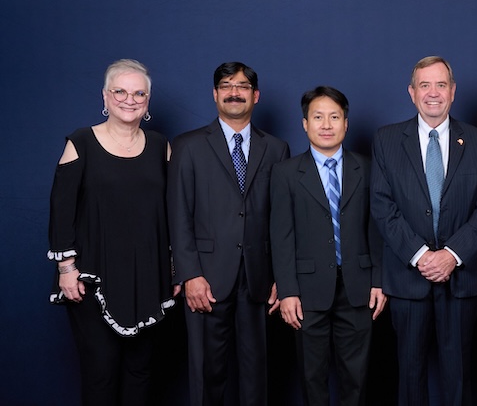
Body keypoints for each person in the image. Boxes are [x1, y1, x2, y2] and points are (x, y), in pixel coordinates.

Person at [370, 56, 477, 406]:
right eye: (424, 85)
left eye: (441, 85)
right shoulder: (387, 139)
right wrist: (421, 255)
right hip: (408, 279)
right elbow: (382, 206)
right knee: (410, 376)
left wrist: (451, 255)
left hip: (460, 279)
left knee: (459, 376)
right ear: (412, 93)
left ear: (453, 92)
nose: (433, 93)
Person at [47, 58, 172, 406]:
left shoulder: (161, 145)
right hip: (92, 277)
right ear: (105, 96)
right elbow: (61, 210)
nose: (129, 100)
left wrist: (174, 269)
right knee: (100, 372)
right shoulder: (81, 142)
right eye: (120, 91)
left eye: (139, 93)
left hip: (148, 277)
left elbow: (172, 212)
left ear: (147, 101)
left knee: (141, 371)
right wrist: (66, 269)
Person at [167, 61, 290, 406]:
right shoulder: (188, 146)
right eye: (226, 86)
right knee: (207, 372)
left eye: (242, 86)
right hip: (205, 278)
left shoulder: (276, 149)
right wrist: (189, 274)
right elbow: (178, 214)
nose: (234, 92)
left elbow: (282, 218)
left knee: (256, 372)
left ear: (256, 95)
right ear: (215, 94)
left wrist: (282, 277)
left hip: (259, 279)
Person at [270, 86, 386, 406]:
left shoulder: (368, 168)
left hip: (359, 287)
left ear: (345, 124)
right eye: (318, 117)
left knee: (356, 378)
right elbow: (281, 235)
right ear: (304, 124)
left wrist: (378, 280)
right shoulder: (286, 173)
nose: (326, 125)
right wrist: (287, 290)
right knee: (312, 377)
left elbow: (377, 230)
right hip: (307, 291)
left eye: (334, 117)